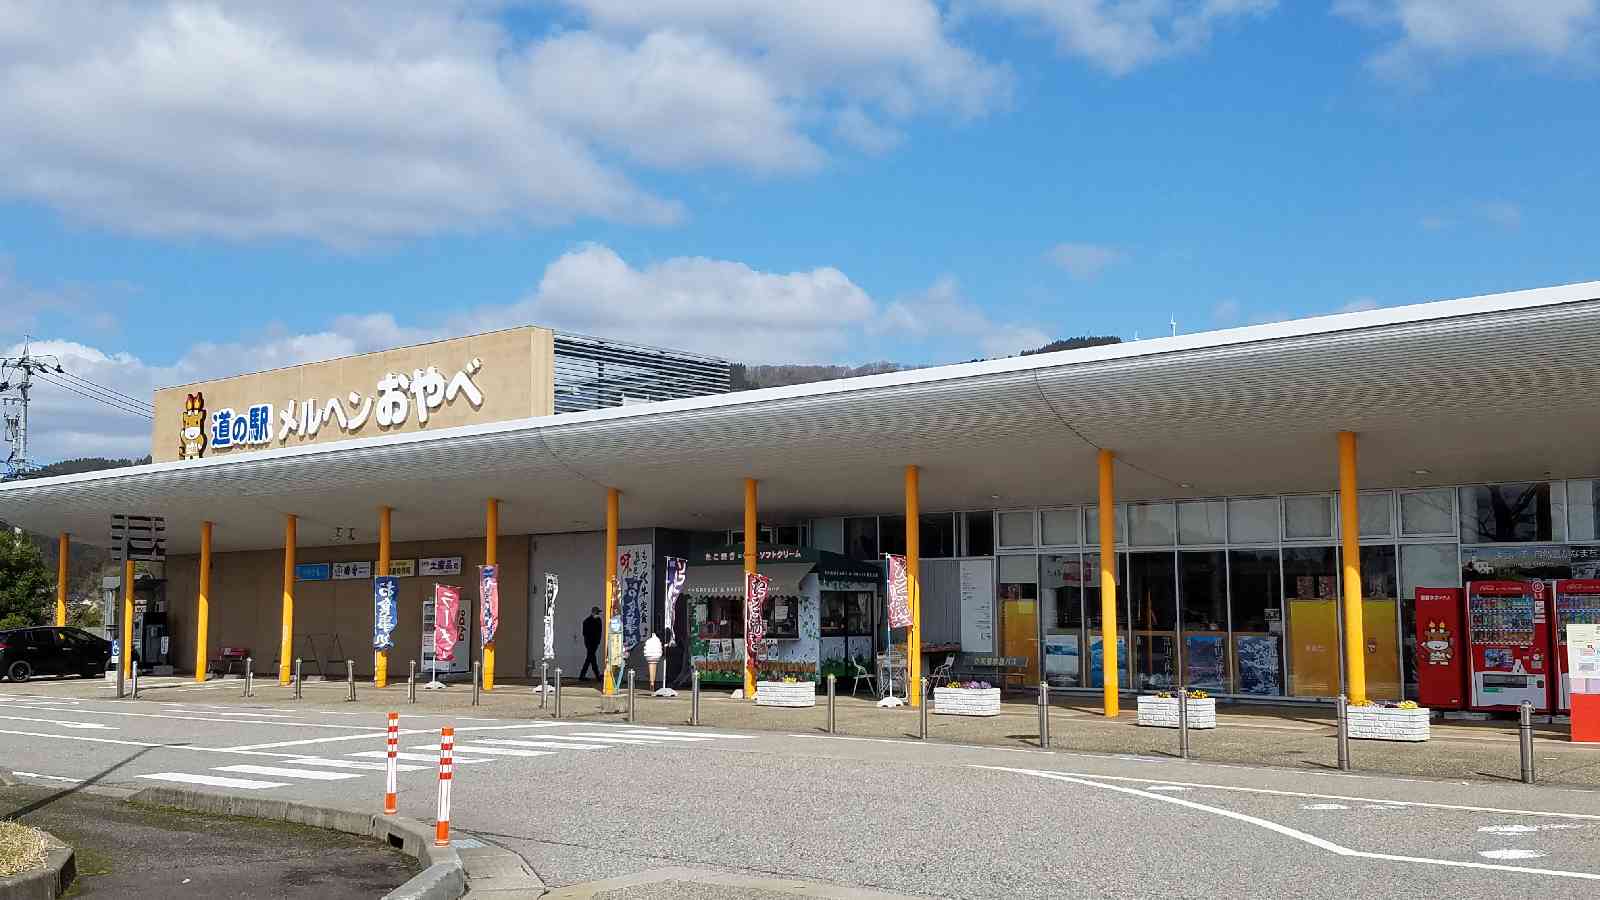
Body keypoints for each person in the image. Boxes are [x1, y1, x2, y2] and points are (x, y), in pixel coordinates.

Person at [580, 606, 602, 681]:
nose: (598, 614)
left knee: (590, 658)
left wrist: (597, 641)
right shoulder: (587, 621)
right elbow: (585, 633)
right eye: (597, 612)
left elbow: (599, 632)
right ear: (593, 612)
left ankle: (583, 675)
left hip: (594, 643)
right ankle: (597, 676)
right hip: (590, 643)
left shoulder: (597, 620)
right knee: (591, 658)